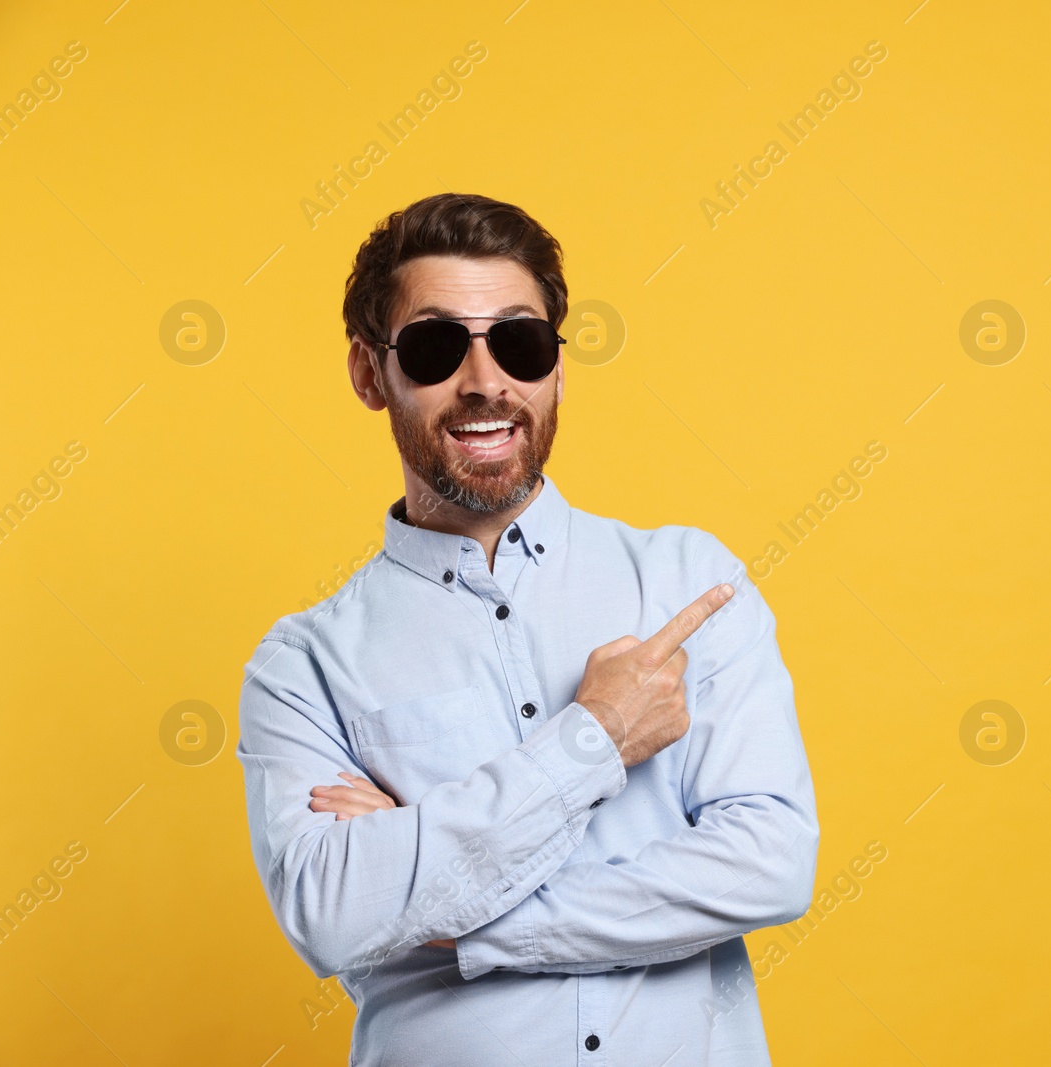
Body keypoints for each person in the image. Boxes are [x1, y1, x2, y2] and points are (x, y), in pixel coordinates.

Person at [236, 192, 819, 1066]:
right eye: (435, 348)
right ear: (369, 374)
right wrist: (595, 737)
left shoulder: (689, 583)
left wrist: (458, 913)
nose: (485, 382)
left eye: (520, 341)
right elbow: (331, 912)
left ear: (555, 366)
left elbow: (771, 861)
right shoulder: (302, 666)